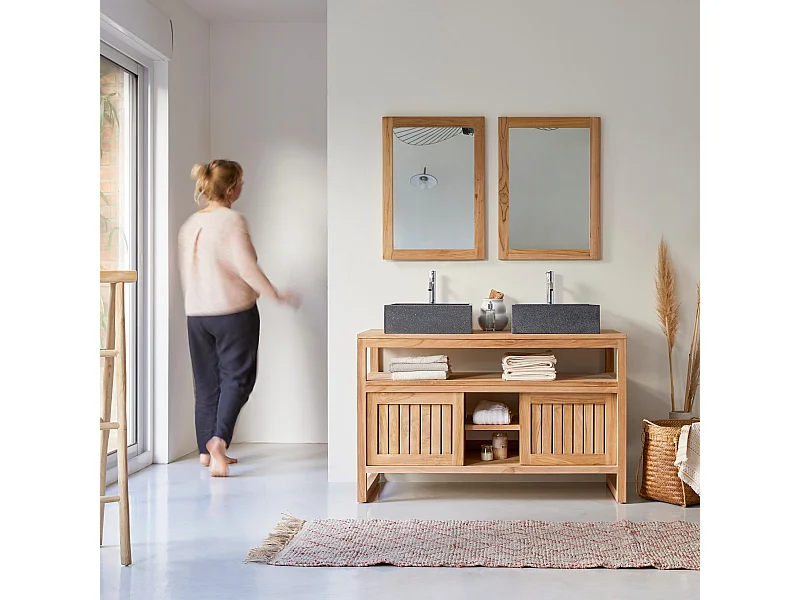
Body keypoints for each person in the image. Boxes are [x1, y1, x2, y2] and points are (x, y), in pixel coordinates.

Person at [178, 159, 299, 477]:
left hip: (196, 314)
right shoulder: (231, 220)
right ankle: (219, 441)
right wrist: (274, 293)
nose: (243, 187)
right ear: (231, 189)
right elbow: (245, 267)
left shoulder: (191, 224)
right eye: (241, 182)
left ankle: (206, 451)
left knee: (206, 383)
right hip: (232, 312)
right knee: (238, 378)